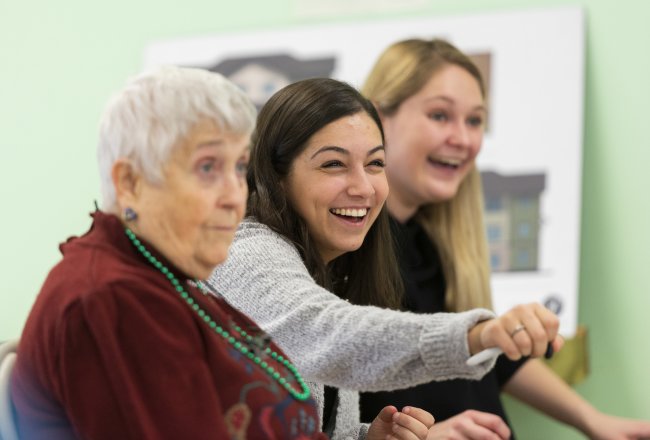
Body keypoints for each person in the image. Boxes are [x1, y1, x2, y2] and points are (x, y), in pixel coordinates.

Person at [10, 66, 435, 440]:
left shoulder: (159, 279)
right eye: (207, 168)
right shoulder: (113, 298)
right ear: (130, 184)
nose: (235, 194)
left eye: (238, 169)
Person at [208, 77, 562, 439]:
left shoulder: (332, 269)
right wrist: (477, 334)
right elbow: (330, 335)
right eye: (333, 164)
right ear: (276, 175)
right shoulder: (245, 251)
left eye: (375, 163)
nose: (363, 187)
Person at [357, 38, 650, 440]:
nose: (463, 138)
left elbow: (493, 361)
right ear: (377, 118)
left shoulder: (431, 243)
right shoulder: (348, 250)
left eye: (475, 120)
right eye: (440, 115)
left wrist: (591, 420)